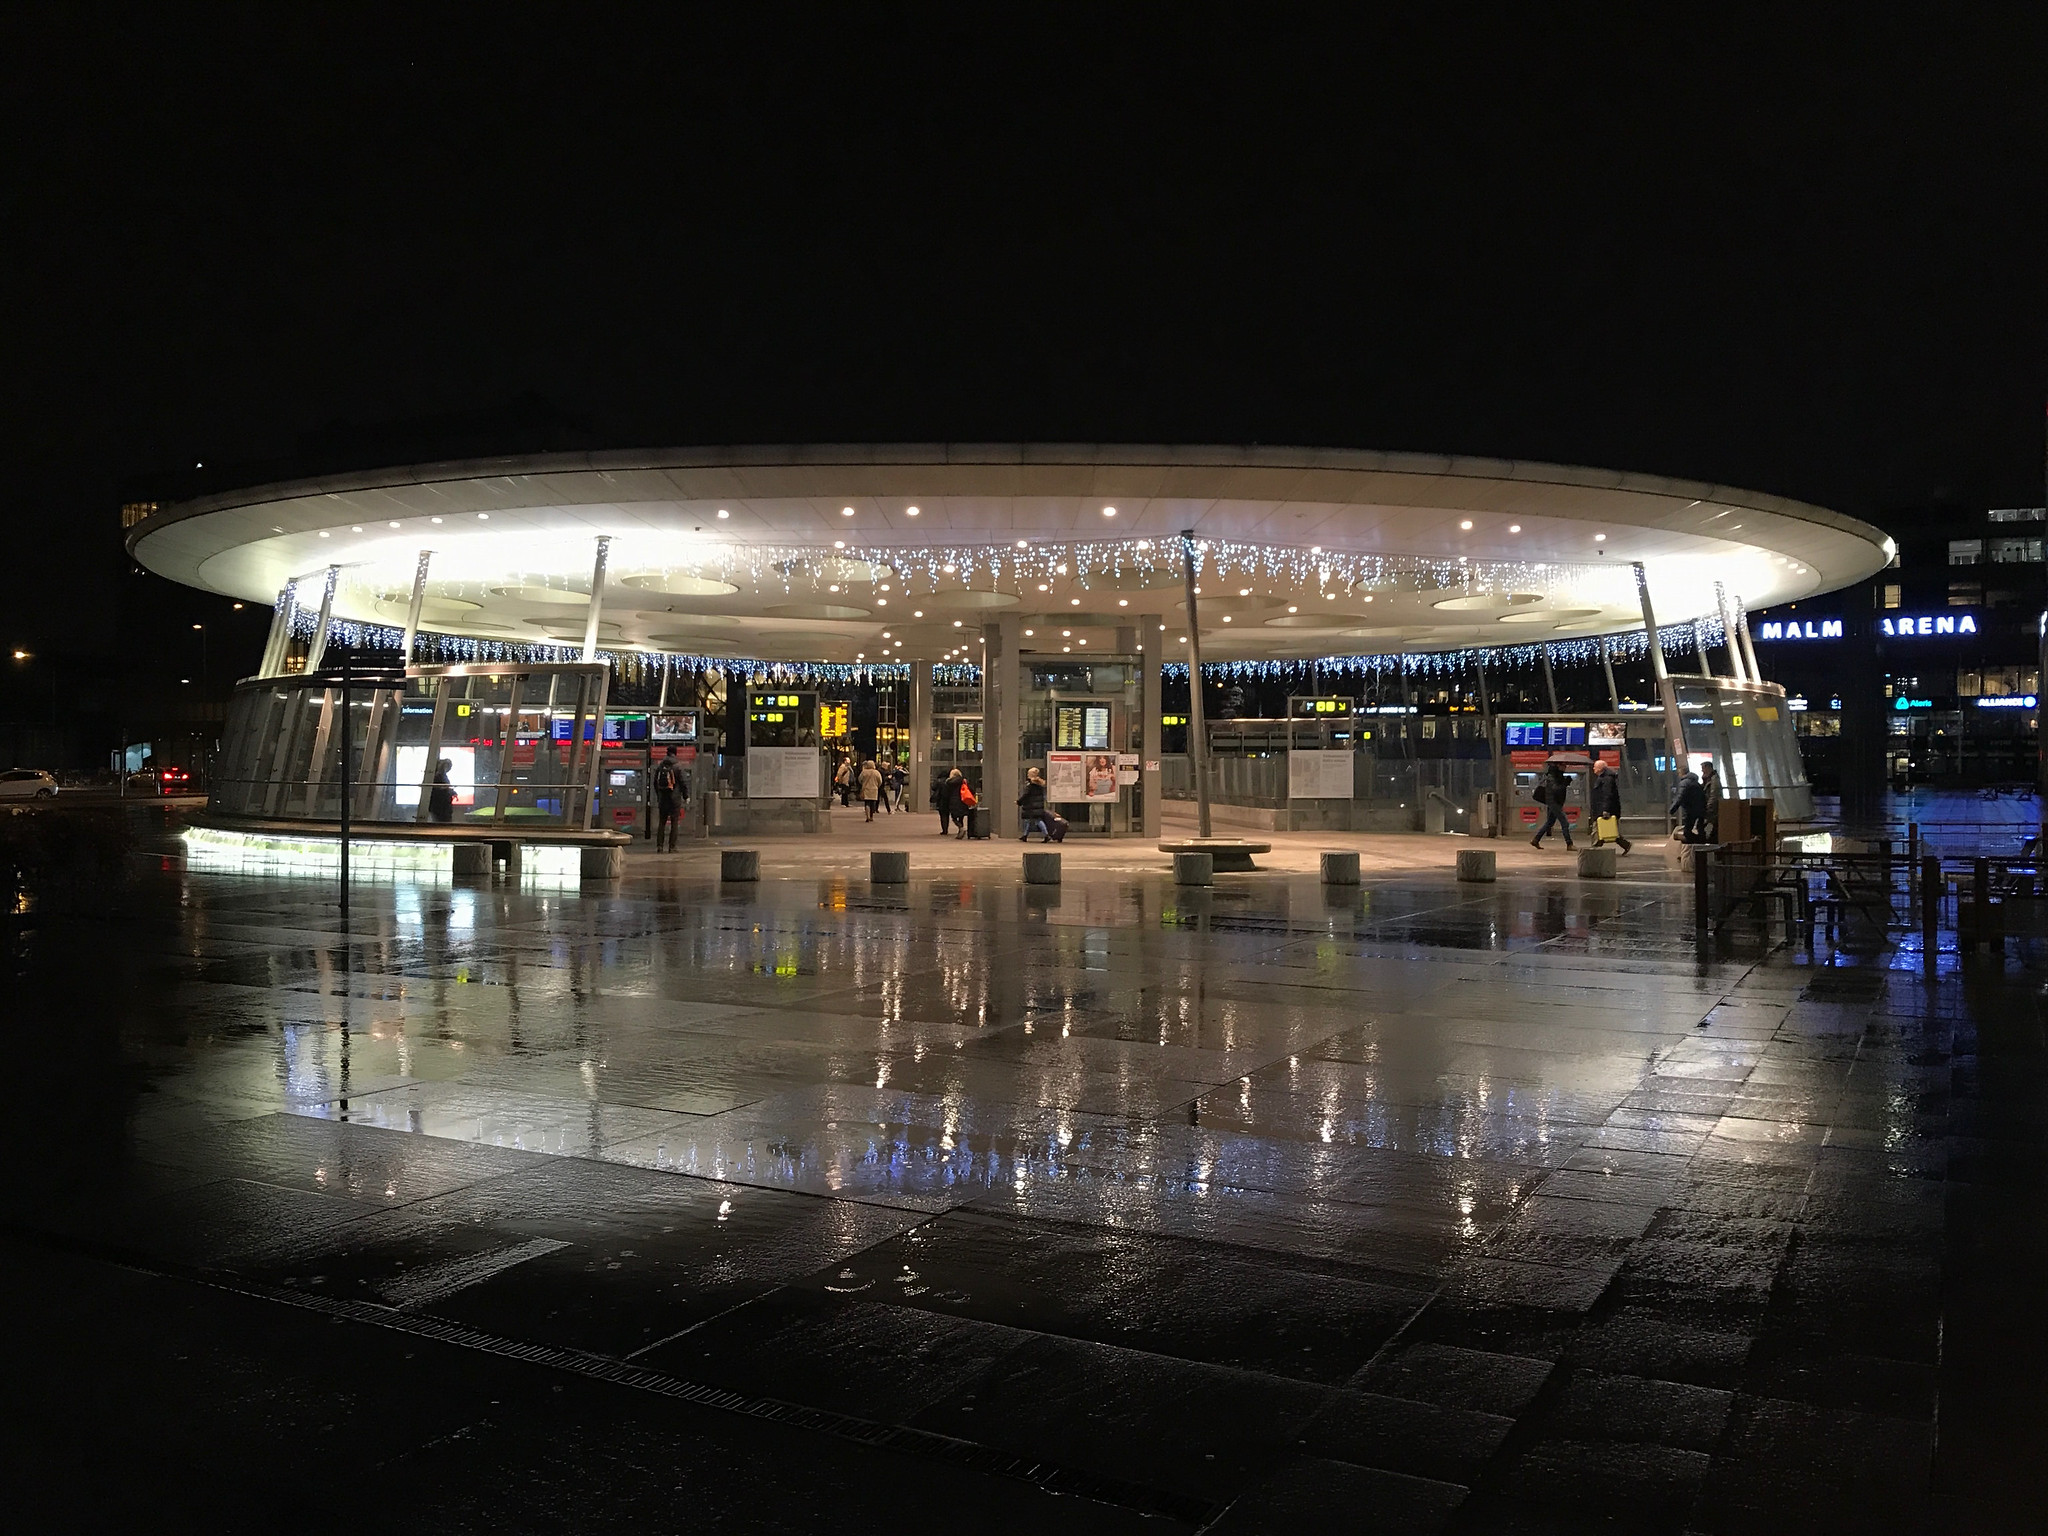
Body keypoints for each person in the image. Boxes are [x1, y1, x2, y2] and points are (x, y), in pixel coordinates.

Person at [1529, 760, 1575, 850]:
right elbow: (1556, 789)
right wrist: (1566, 783)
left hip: (1556, 802)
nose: (1565, 767)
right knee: (1564, 823)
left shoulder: (1558, 775)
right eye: (1563, 765)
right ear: (1558, 765)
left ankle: (1536, 840)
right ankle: (1569, 844)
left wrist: (1565, 782)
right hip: (1554, 802)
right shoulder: (1552, 776)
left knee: (1549, 823)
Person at [1589, 758, 1631, 854]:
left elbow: (1607, 795)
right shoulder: (1605, 777)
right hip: (1604, 808)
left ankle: (1594, 849)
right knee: (1610, 831)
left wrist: (1605, 810)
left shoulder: (1607, 779)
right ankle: (1625, 844)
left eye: (1595, 767)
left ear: (1600, 768)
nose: (1593, 769)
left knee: (1598, 829)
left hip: (1605, 808)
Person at [651, 745, 686, 851]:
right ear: (675, 753)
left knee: (662, 822)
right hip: (674, 798)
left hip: (663, 798)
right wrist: (685, 795)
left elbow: (655, 783)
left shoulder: (660, 766)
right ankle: (672, 846)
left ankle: (660, 846)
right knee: (674, 822)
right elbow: (682, 782)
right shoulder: (677, 766)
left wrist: (659, 795)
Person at [1671, 768, 1708, 843]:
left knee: (1687, 832)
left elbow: (1680, 796)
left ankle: (1699, 843)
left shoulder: (1684, 783)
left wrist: (1672, 808)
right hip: (1700, 809)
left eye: (1679, 773)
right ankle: (1701, 844)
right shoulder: (1695, 782)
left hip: (1691, 810)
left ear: (1682, 773)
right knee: (1700, 829)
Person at [1017, 766, 1051, 841]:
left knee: (1033, 820)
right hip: (1037, 805)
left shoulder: (1030, 785)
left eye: (1028, 773)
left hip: (1031, 806)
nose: (1027, 775)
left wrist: (1019, 802)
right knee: (1033, 820)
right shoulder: (1040, 783)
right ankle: (1025, 835)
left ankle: (1046, 835)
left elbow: (1026, 795)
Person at [938, 767, 967, 836]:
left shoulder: (949, 783)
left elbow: (946, 793)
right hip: (963, 800)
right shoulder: (964, 781)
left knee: (954, 817)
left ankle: (961, 827)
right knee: (961, 816)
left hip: (953, 801)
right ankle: (961, 829)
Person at [1700, 760, 1723, 840]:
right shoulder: (1709, 779)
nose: (1702, 770)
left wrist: (1708, 808)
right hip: (1712, 809)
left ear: (1708, 768)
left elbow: (1713, 796)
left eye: (1703, 768)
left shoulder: (1714, 780)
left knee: (1711, 828)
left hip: (1713, 810)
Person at [427, 758, 456, 823]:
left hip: (442, 805)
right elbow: (436, 789)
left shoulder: (441, 776)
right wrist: (447, 790)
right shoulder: (438, 776)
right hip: (440, 806)